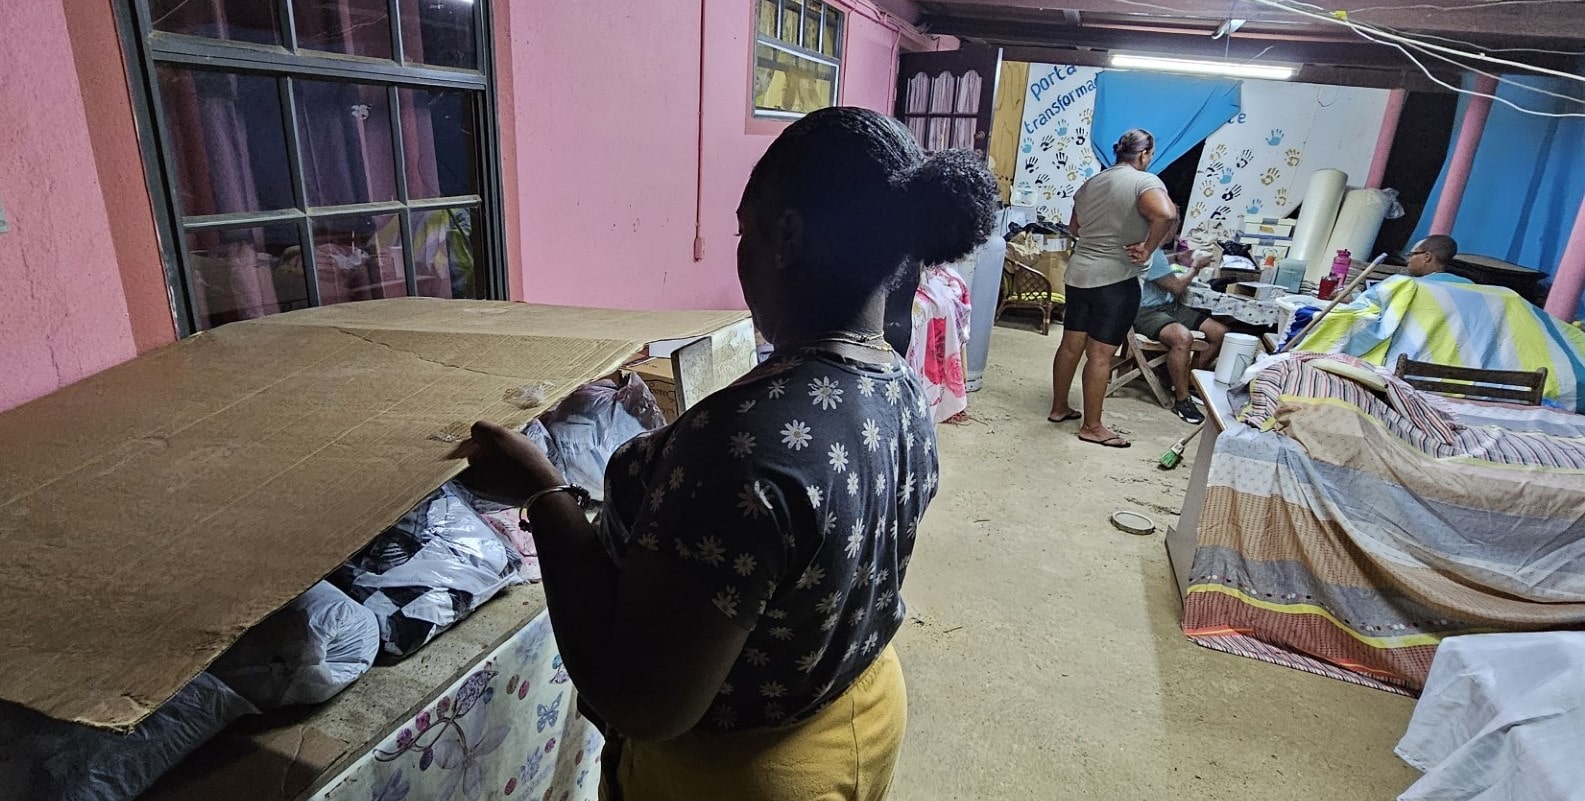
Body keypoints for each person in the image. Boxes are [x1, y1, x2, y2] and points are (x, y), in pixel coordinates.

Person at [454, 106, 998, 801]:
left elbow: (643, 703)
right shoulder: (896, 384)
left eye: (744, 230)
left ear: (786, 236)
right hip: (860, 706)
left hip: (741, 775)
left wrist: (543, 494)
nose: (738, 252)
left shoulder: (739, 447)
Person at [1048, 128, 1179, 448]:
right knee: (1100, 355)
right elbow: (1166, 214)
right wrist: (1148, 248)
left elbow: (1074, 228)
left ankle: (1059, 407)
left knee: (1070, 345)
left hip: (1079, 274)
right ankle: (1092, 427)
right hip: (1117, 279)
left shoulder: (1092, 183)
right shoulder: (1144, 182)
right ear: (1144, 154)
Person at [1134, 242, 1228, 424]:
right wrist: (1195, 267)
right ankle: (1182, 399)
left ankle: (1187, 381)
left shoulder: (1156, 249)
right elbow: (1176, 287)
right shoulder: (1147, 248)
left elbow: (1160, 265)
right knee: (1183, 338)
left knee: (1219, 332)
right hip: (1145, 311)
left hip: (1170, 306)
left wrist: (1177, 258)